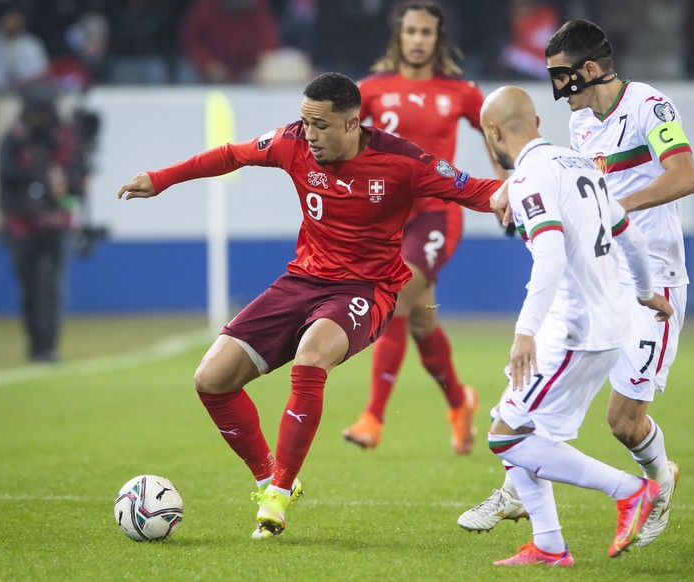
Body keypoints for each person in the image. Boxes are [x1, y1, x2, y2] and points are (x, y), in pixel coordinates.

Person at [116, 72, 503, 539]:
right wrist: (161, 179)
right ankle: (270, 475)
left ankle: (276, 496)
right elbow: (229, 155)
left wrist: (529, 197)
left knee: (312, 353)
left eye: (320, 125)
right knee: (211, 380)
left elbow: (477, 190)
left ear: (352, 123)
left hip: (367, 290)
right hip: (301, 280)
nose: (310, 135)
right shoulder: (291, 142)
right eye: (305, 122)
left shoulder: (401, 159)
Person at [459, 19, 694, 550]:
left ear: (589, 70)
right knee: (531, 389)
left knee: (623, 421)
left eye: (561, 74)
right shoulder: (581, 127)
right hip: (599, 280)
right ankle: (518, 491)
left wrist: (615, 211)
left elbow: (686, 176)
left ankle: (657, 482)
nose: (556, 86)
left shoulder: (648, 105)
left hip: (651, 279)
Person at [480, 86, 673, 566]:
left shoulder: (528, 178)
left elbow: (547, 252)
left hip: (573, 330)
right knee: (512, 421)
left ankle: (630, 491)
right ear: (538, 124)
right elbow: (627, 229)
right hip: (609, 320)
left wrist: (525, 330)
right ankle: (548, 545)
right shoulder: (580, 163)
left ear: (494, 133)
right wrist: (646, 292)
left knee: (506, 437)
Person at [342, 0, 508, 454]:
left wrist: (507, 186)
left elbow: (495, 131)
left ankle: (373, 417)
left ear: (438, 39)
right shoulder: (372, 89)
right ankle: (460, 401)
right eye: (411, 31)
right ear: (399, 36)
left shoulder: (459, 92)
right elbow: (341, 133)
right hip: (391, 219)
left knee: (395, 301)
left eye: (426, 33)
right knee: (421, 319)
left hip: (438, 214)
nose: (418, 40)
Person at [0, 83, 87, 362]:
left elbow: (77, 176)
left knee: (49, 286)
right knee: (30, 289)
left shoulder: (65, 138)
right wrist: (40, 178)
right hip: (21, 225)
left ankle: (49, 347)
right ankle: (36, 345)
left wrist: (64, 187)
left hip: (56, 223)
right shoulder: (13, 139)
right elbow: (6, 172)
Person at [181, 0, 280, 84]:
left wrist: (262, 67)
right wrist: (207, 64)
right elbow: (193, 39)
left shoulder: (259, 8)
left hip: (249, 75)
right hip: (210, 75)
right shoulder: (206, 6)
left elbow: (269, 43)